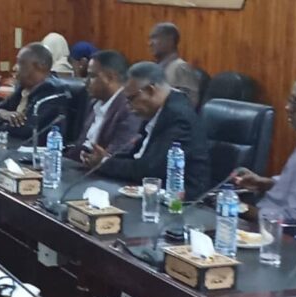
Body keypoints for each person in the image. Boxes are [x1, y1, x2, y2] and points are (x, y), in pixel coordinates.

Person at [83, 62, 210, 200]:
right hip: (150, 192)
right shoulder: (157, 110)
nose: (128, 106)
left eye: (131, 99)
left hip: (179, 201)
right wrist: (106, 158)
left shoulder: (178, 117)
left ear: (150, 90)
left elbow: (150, 170)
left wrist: (104, 163)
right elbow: (136, 156)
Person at [234, 69, 296, 222]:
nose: (289, 108)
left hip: (271, 229)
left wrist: (238, 208)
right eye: (291, 100)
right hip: (263, 211)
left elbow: (294, 219)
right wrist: (266, 183)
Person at [67, 50, 141, 163]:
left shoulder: (129, 109)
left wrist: (99, 160)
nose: (86, 81)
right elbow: (80, 146)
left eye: (92, 76)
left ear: (110, 77)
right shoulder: (94, 103)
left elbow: (117, 155)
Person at [0, 43, 69, 145]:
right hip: (13, 146)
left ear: (40, 66)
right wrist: (1, 114)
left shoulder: (53, 91)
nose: (14, 68)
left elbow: (27, 129)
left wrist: (0, 126)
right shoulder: (22, 88)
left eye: (20, 63)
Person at [148, 22, 201, 107]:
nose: (150, 43)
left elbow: (188, 104)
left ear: (170, 40)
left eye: (155, 38)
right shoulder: (155, 68)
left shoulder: (181, 68)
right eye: (150, 39)